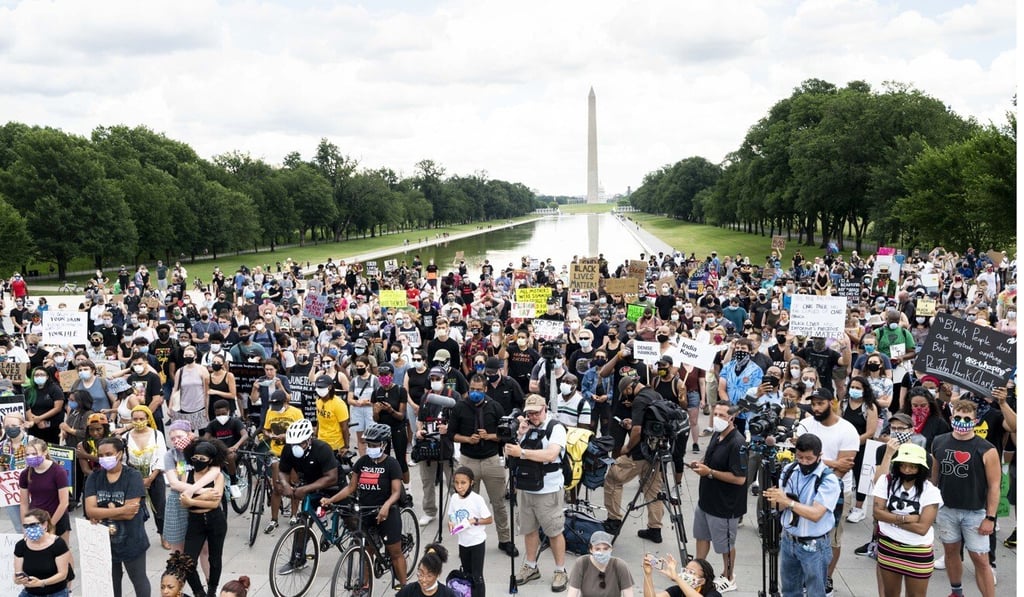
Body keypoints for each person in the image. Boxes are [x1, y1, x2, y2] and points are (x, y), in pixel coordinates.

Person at [321, 423, 408, 586]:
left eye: (374, 445)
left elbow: (396, 491)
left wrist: (386, 506)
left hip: (387, 514)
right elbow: (351, 487)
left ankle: (404, 587)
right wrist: (331, 500)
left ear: (383, 445)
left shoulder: (392, 464)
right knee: (366, 550)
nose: (371, 448)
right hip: (365, 513)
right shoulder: (361, 463)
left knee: (395, 552)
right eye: (369, 445)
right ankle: (365, 584)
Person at [930, 399, 1000, 597]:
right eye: (958, 417)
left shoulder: (987, 449)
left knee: (981, 559)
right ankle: (956, 592)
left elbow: (995, 486)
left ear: (975, 421)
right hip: (947, 510)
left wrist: (991, 517)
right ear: (952, 418)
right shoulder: (939, 442)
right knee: (951, 553)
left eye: (967, 418)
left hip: (975, 512)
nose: (962, 422)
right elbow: (934, 477)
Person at [794, 388, 859, 594]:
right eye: (813, 404)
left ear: (832, 403)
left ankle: (827, 577)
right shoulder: (806, 425)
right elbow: (798, 455)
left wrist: (816, 461)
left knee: (832, 538)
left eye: (820, 403)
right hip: (805, 487)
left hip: (838, 491)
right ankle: (807, 576)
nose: (816, 408)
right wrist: (828, 462)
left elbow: (844, 467)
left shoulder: (847, 430)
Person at [762, 433, 842, 597]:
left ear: (819, 456)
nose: (804, 462)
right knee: (789, 590)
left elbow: (816, 514)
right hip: (788, 539)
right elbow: (779, 503)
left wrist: (788, 502)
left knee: (815, 592)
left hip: (814, 545)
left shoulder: (828, 480)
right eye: (800, 457)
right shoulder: (789, 470)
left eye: (809, 458)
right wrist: (773, 498)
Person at [503, 394, 569, 592]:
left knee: (554, 531)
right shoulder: (526, 427)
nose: (533, 417)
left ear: (545, 409)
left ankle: (560, 570)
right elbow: (512, 455)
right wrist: (520, 435)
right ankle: (531, 566)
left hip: (548, 489)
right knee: (528, 529)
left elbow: (551, 454)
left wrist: (521, 452)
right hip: (525, 487)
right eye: (529, 413)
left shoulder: (555, 427)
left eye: (536, 412)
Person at [448, 374, 516, 556]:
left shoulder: (495, 407)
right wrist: (467, 439)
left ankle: (505, 539)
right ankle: (469, 541)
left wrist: (490, 436)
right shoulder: (460, 407)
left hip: (491, 460)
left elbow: (505, 433)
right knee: (467, 503)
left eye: (479, 390)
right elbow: (451, 434)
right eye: (472, 390)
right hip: (468, 460)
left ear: (485, 389)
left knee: (498, 502)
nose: (475, 393)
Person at [687, 404, 746, 594]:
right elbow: (709, 455)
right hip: (706, 500)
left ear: (732, 418)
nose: (717, 417)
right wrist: (701, 464)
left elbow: (740, 478)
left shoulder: (738, 443)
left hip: (725, 505)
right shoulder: (716, 434)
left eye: (722, 414)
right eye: (715, 413)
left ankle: (728, 576)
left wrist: (710, 472)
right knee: (701, 536)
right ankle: (696, 571)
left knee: (725, 545)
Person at [83, 436, 151, 597]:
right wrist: (119, 510)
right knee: (111, 582)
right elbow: (90, 511)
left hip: (132, 538)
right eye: (101, 455)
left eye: (108, 454)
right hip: (104, 540)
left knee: (138, 579)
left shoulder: (132, 476)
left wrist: (102, 513)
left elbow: (131, 513)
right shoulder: (94, 477)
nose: (104, 459)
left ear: (120, 454)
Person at [872, 443, 942, 597]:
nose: (907, 470)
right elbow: (877, 514)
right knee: (890, 594)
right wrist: (907, 518)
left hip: (917, 552)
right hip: (888, 547)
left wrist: (889, 517)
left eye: (912, 467)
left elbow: (922, 528)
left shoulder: (931, 491)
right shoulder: (886, 481)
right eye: (903, 465)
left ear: (921, 469)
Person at [603, 377, 665, 542]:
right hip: (655, 452)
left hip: (638, 453)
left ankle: (613, 520)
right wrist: (634, 424)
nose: (626, 398)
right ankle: (655, 529)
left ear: (630, 388)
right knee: (653, 490)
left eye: (625, 393)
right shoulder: (655, 394)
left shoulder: (639, 400)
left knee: (613, 478)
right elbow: (648, 423)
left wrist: (627, 448)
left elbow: (637, 432)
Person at [275, 418, 339, 576]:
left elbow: (332, 477)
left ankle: (360, 546)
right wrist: (286, 484)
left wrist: (305, 488)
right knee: (302, 521)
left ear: (309, 439)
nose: (296, 447)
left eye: (301, 443)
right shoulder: (289, 450)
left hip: (333, 485)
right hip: (309, 483)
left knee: (351, 519)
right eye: (293, 444)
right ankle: (297, 559)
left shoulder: (323, 449)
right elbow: (283, 471)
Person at [180, 440, 229, 597]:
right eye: (195, 458)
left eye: (202, 459)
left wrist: (193, 500)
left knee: (215, 559)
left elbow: (215, 503)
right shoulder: (187, 474)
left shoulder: (217, 476)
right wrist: (204, 495)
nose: (198, 462)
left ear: (211, 460)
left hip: (215, 520)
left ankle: (212, 591)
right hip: (195, 522)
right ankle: (199, 592)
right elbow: (182, 500)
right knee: (186, 562)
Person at [124, 404, 169, 548]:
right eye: (135, 419)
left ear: (148, 419)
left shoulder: (157, 434)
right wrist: (137, 478)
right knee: (137, 509)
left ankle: (164, 535)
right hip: (134, 478)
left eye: (141, 418)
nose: (138, 421)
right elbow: (125, 460)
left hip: (154, 477)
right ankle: (138, 537)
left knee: (159, 507)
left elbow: (162, 457)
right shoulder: (125, 437)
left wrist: (151, 477)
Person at [261, 389, 304, 534]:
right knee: (277, 488)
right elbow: (265, 429)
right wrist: (270, 435)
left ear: (286, 402)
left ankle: (294, 514)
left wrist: (286, 436)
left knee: (294, 485)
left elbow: (302, 433)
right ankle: (274, 519)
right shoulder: (270, 412)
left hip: (292, 452)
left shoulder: (296, 412)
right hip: (276, 452)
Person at [445, 466, 492, 596]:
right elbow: (452, 514)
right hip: (463, 542)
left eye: (463, 483)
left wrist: (473, 521)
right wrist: (451, 522)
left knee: (477, 576)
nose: (459, 486)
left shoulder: (477, 499)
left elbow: (489, 519)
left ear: (471, 482)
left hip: (476, 542)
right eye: (456, 482)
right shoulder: (454, 498)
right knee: (467, 575)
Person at [19, 439, 71, 545]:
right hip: (35, 520)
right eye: (28, 454)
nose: (30, 457)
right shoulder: (25, 474)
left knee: (62, 554)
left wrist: (50, 525)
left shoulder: (58, 472)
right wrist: (25, 525)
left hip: (57, 518)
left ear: (45, 452)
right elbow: (24, 503)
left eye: (34, 454)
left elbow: (64, 502)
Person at [14, 508, 73, 597]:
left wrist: (41, 583)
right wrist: (18, 580)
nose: (29, 529)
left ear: (45, 524)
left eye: (33, 525)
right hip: (30, 593)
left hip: (56, 593)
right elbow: (18, 572)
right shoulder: (21, 546)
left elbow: (63, 574)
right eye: (26, 526)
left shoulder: (58, 544)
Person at [372, 362, 410, 483]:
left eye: (386, 374)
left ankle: (407, 488)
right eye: (380, 375)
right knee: (383, 458)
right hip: (383, 430)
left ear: (392, 375)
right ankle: (386, 485)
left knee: (401, 459)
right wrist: (377, 412)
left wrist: (390, 410)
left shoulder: (400, 391)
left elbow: (401, 416)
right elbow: (375, 419)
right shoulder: (376, 392)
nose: (383, 377)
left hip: (397, 428)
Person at [567, 530, 634, 597]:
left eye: (605, 549)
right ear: (591, 549)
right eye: (597, 549)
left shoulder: (620, 565)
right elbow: (572, 592)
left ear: (611, 549)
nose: (602, 552)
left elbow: (628, 593)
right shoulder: (581, 563)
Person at [1, 412, 31, 532]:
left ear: (22, 425)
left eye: (13, 425)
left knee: (36, 522)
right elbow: (1, 469)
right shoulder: (2, 446)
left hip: (32, 489)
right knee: (19, 527)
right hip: (11, 492)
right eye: (7, 426)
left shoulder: (33, 442)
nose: (10, 429)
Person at [642, 553, 721, 597]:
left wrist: (676, 577)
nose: (685, 574)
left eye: (691, 572)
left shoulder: (714, 595)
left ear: (701, 581)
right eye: (685, 570)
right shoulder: (678, 590)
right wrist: (648, 574)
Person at [26, 367, 66, 445]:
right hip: (34, 426)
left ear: (47, 377)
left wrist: (40, 418)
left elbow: (57, 408)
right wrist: (35, 421)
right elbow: (26, 407)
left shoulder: (54, 389)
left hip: (52, 426)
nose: (39, 377)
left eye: (42, 375)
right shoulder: (28, 391)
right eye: (36, 375)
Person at [312, 374, 349, 455]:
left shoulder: (339, 404)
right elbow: (319, 420)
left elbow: (344, 427)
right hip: (321, 442)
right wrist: (315, 435)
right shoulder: (318, 401)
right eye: (318, 387)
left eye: (322, 387)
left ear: (329, 387)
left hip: (335, 445)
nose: (319, 389)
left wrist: (346, 446)